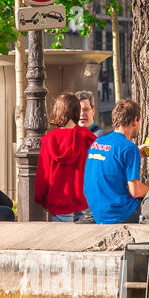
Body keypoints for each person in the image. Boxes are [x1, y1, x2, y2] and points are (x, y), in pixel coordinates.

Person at [83, 99, 149, 224]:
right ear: (135, 120)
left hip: (97, 211)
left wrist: (136, 154)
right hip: (120, 214)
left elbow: (110, 163)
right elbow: (135, 191)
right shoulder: (129, 148)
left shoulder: (97, 142)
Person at [35, 93, 96, 222]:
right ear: (76, 111)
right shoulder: (88, 137)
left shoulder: (49, 141)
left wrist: (43, 200)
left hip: (59, 203)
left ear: (57, 111)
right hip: (86, 201)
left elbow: (43, 176)